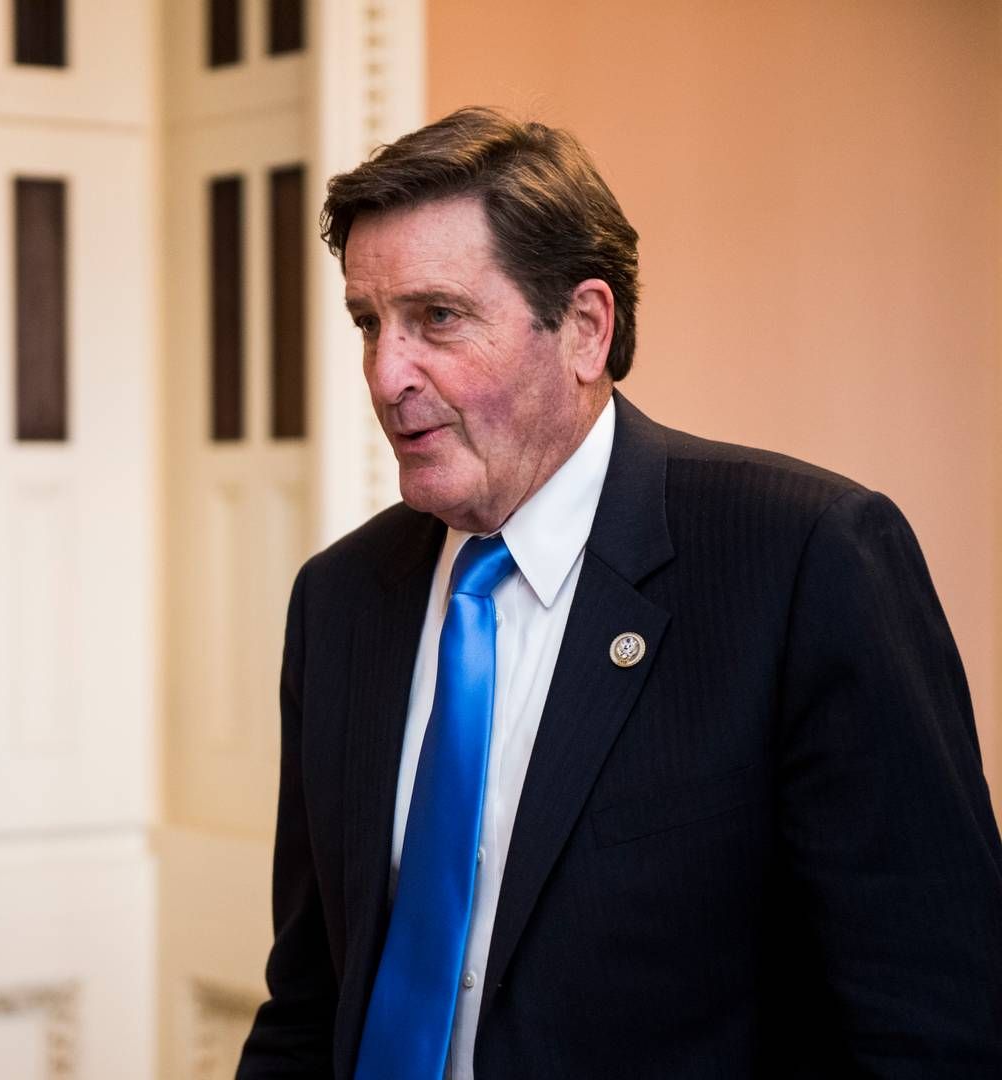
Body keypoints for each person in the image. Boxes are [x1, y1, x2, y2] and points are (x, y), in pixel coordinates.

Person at [236, 107, 1002, 1079]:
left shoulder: (807, 563)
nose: (388, 376)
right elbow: (311, 1000)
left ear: (585, 328)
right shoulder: (340, 601)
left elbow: (934, 1027)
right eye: (368, 323)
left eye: (437, 317)